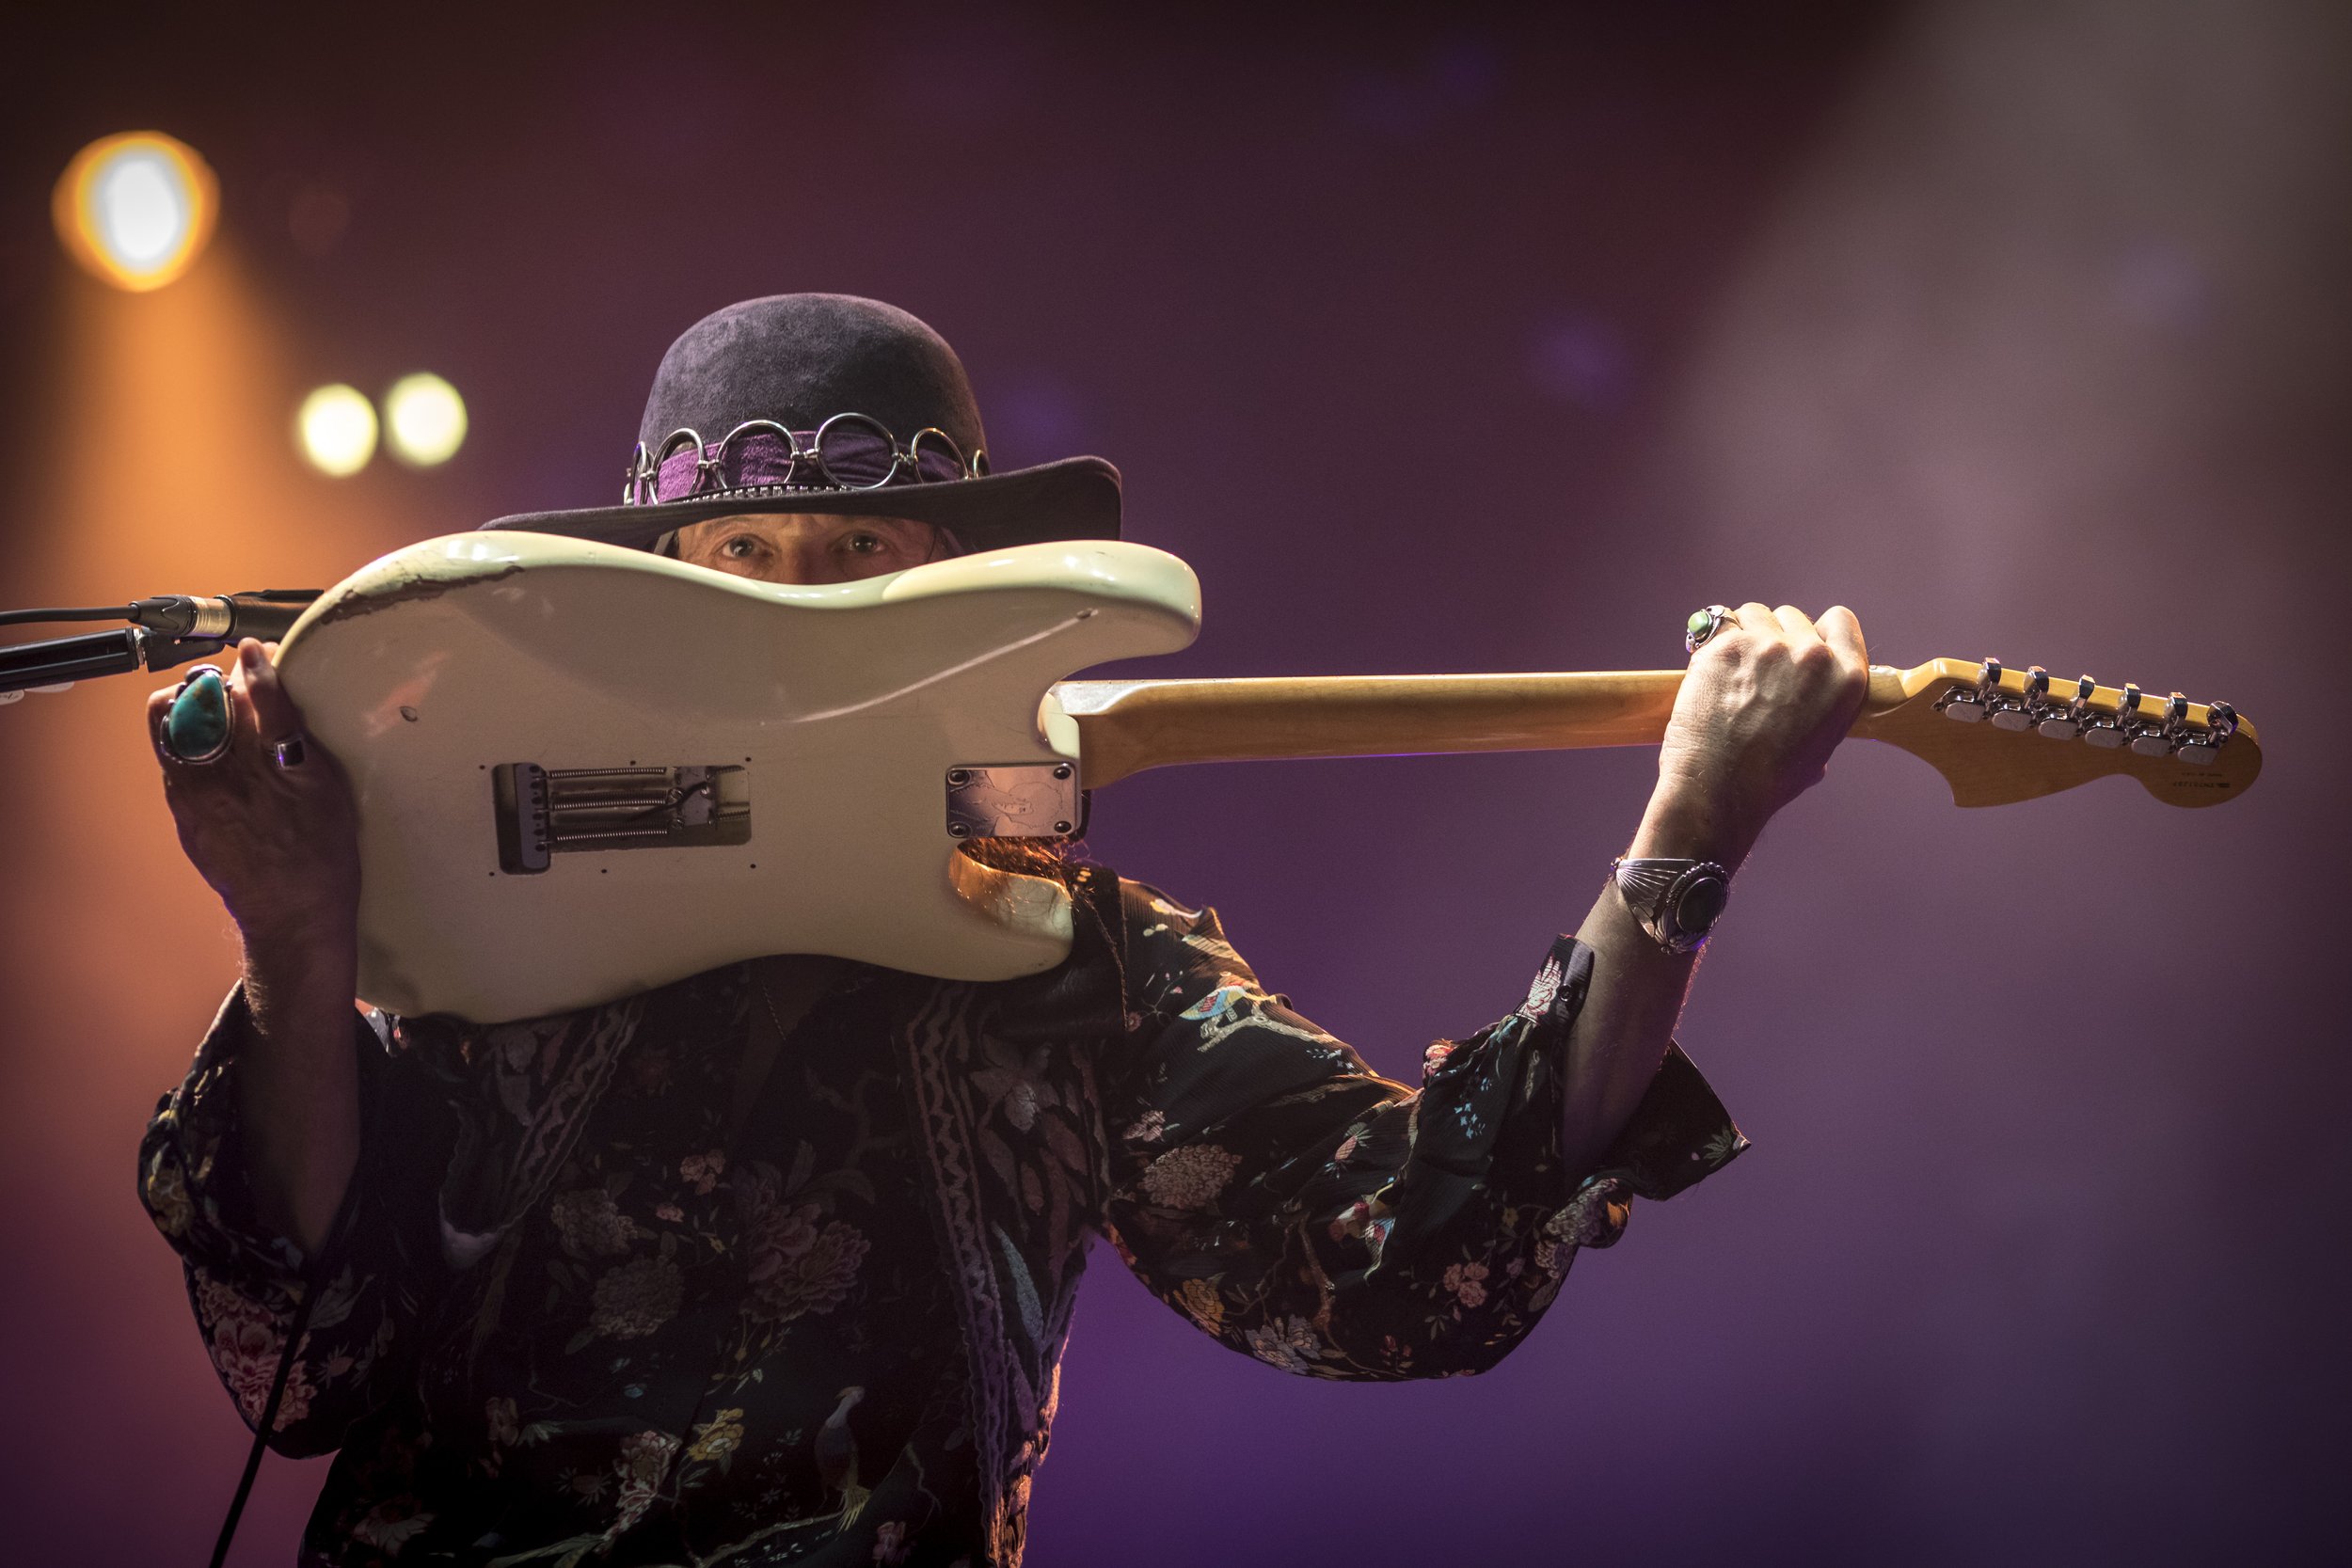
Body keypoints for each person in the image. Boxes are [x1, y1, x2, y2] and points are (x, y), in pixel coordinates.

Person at [139, 294, 1868, 1567]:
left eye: (857, 553)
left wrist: (1684, 835)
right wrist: (293, 939)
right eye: (739, 553)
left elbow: (1401, 1270)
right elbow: (311, 1352)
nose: (793, 604)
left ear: (962, 593)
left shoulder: (1075, 962)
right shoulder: (502, 916)